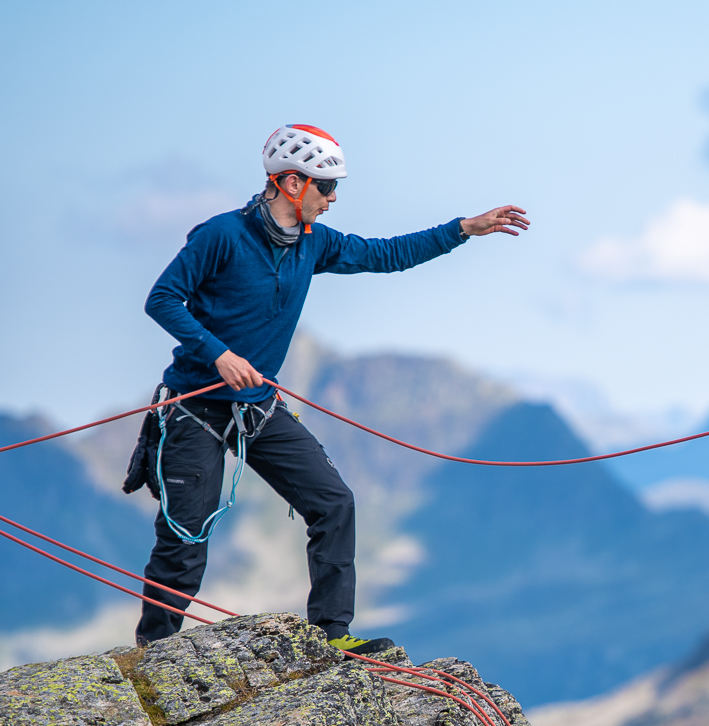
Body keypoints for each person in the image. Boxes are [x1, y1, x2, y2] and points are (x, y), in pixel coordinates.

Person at [127, 124, 528, 653]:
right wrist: (219, 356)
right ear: (291, 182)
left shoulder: (314, 243)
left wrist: (464, 228)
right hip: (193, 407)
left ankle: (332, 637)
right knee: (185, 537)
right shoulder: (221, 236)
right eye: (325, 187)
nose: (333, 199)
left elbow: (387, 254)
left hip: (257, 408)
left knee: (334, 503)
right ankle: (153, 655)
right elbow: (163, 299)